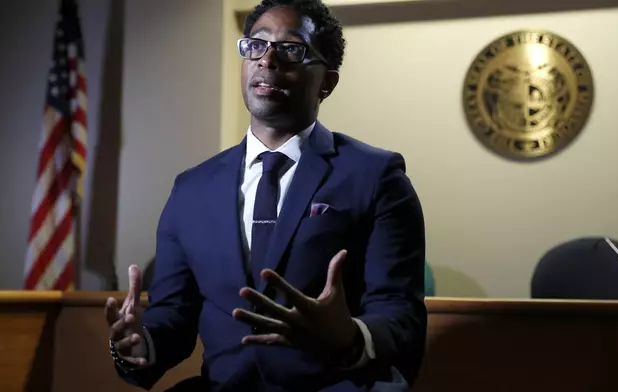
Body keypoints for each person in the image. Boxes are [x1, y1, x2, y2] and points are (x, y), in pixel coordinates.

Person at [105, 0, 427, 391]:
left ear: (327, 81)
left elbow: (401, 314)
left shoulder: (376, 176)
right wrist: (141, 343)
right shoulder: (191, 189)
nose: (268, 59)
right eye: (256, 45)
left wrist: (351, 336)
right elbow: (174, 315)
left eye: (292, 49)